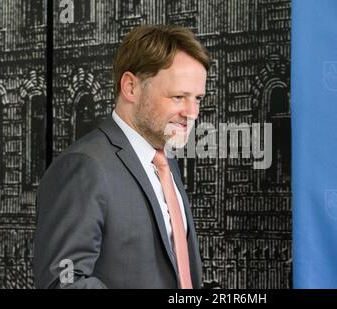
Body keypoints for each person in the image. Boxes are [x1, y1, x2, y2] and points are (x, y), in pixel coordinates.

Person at [33, 25, 210, 289]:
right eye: (178, 97)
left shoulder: (165, 164)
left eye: (197, 98)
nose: (192, 112)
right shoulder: (84, 165)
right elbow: (62, 281)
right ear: (130, 87)